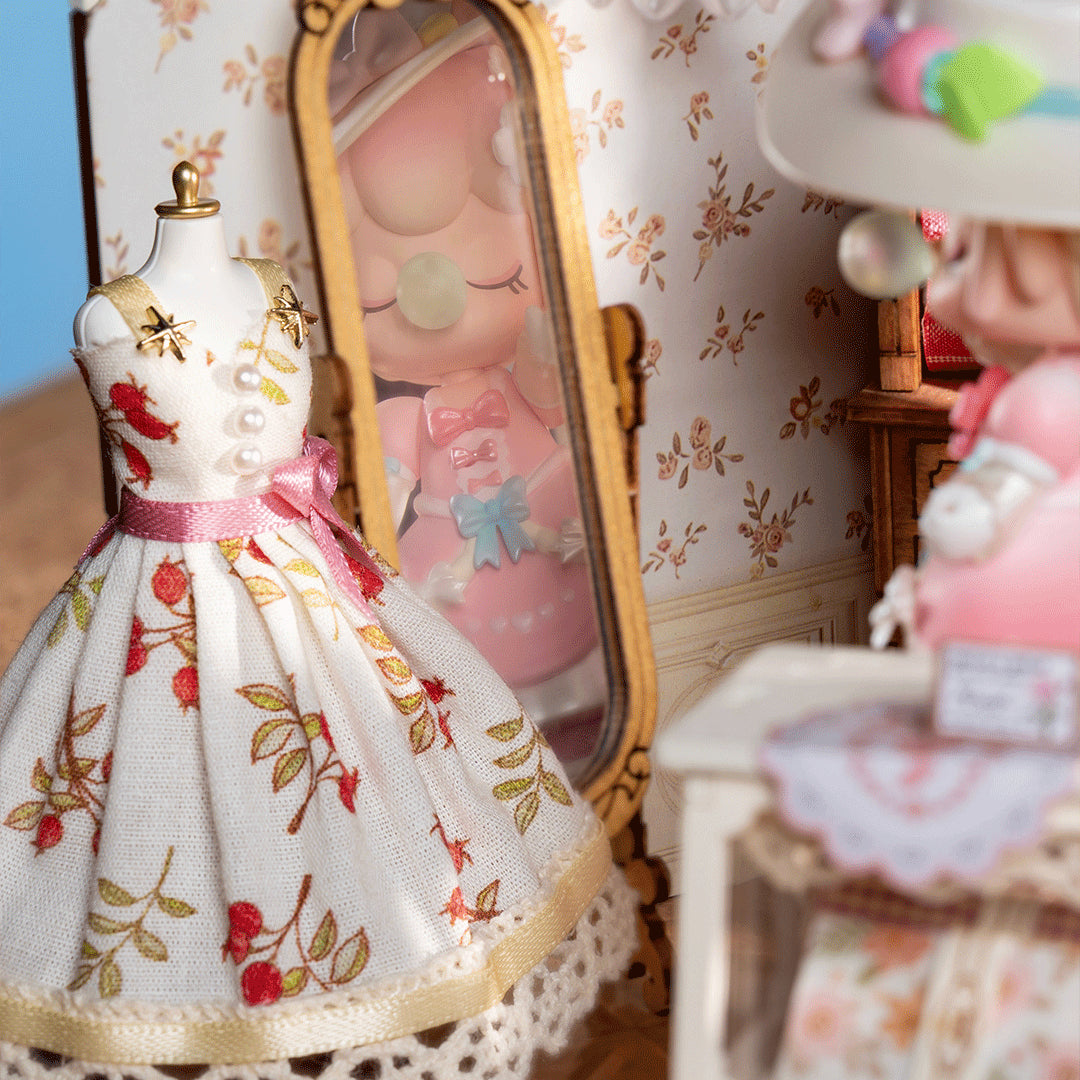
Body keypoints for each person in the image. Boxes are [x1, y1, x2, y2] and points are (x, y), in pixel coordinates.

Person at [0, 162, 635, 1080]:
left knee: (360, 787)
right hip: (160, 600)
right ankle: (181, 1016)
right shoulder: (112, 317)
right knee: (153, 793)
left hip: (303, 579)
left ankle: (361, 989)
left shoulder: (272, 289)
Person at [758, 0, 1080, 655]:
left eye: (957, 252)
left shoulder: (1045, 399)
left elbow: (986, 509)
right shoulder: (1031, 384)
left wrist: (959, 525)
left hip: (1018, 640)